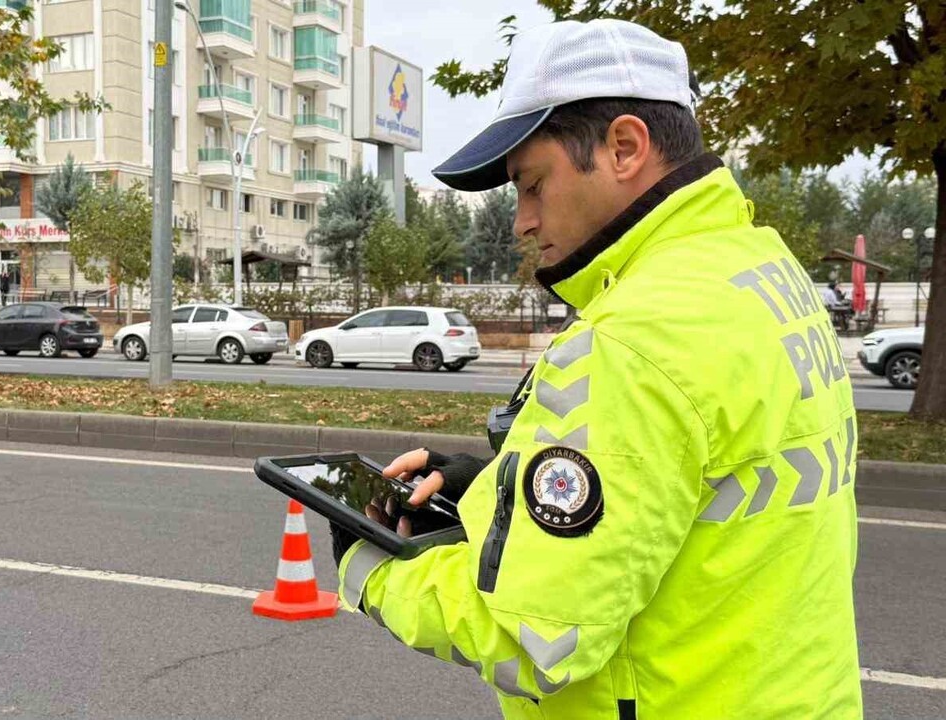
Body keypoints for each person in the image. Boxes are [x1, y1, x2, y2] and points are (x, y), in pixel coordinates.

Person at [328, 19, 861, 719]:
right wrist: (501, 491)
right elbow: (681, 491)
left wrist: (367, 570)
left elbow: (532, 637)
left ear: (625, 147)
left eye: (532, 184)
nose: (520, 220)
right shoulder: (760, 269)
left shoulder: (632, 339)